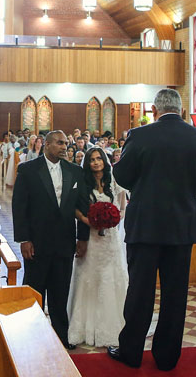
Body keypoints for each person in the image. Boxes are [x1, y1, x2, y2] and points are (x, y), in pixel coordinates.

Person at [108, 89, 196, 370]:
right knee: (175, 293)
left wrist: (144, 186)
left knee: (140, 290)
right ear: (181, 110)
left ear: (155, 110)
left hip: (146, 224)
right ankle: (167, 357)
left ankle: (131, 352)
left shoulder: (140, 135)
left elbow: (121, 174)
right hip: (182, 226)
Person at [12, 130, 82, 350]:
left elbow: (81, 207)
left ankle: (61, 337)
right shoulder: (28, 170)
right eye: (60, 143)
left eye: (66, 143)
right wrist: (24, 239)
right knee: (34, 290)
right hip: (38, 242)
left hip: (64, 241)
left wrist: (83, 238)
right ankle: (30, 336)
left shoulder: (74, 171)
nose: (64, 147)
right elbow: (20, 207)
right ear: (47, 145)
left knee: (60, 292)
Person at [67, 146, 127, 347]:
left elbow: (122, 207)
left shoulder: (114, 183)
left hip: (109, 239)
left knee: (110, 276)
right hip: (90, 237)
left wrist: (112, 220)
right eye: (92, 159)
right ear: (88, 163)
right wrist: (86, 219)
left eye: (98, 159)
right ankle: (83, 325)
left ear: (104, 161)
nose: (95, 162)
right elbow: (73, 206)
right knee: (89, 277)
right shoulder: (83, 183)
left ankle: (111, 324)